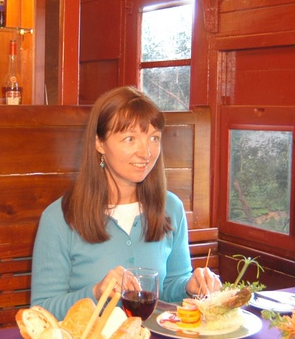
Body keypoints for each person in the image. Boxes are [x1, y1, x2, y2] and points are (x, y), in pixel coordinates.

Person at [31, 86, 221, 319]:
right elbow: (42, 311)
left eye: (153, 138)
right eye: (130, 139)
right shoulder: (58, 217)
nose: (146, 152)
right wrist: (96, 292)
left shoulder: (171, 207)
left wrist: (190, 285)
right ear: (100, 144)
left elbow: (171, 285)